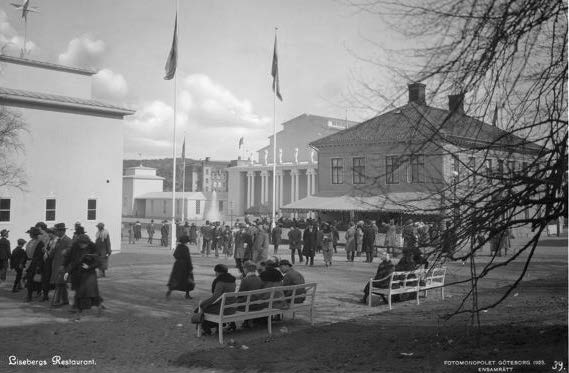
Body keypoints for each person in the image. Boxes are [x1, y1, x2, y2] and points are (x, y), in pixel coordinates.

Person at [63, 234, 104, 314]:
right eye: (80, 243)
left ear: (87, 243)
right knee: (80, 291)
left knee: (88, 293)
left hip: (89, 275)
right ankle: (78, 307)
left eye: (84, 243)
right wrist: (66, 268)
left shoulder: (93, 247)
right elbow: (70, 258)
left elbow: (98, 261)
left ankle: (82, 307)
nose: (82, 245)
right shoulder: (75, 247)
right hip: (77, 273)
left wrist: (89, 266)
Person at [198, 264, 237, 336]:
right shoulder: (232, 280)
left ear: (219, 272)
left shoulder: (220, 282)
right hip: (231, 307)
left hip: (223, 308)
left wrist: (203, 304)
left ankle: (206, 330)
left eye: (216, 272)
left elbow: (215, 297)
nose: (215, 274)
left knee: (201, 308)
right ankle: (223, 326)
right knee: (209, 307)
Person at [49, 223, 72, 306]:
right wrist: (53, 247)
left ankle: (58, 300)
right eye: (56, 231)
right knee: (60, 283)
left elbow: (70, 251)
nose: (56, 233)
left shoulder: (68, 240)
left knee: (61, 283)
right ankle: (64, 300)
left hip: (63, 265)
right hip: (56, 264)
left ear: (62, 231)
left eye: (57, 231)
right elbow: (52, 253)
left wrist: (66, 251)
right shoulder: (57, 240)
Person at [166, 235, 194, 299]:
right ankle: (187, 295)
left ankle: (170, 290)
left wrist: (179, 260)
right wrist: (190, 267)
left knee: (175, 279)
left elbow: (175, 255)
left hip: (177, 265)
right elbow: (188, 258)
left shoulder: (178, 247)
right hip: (185, 266)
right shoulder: (186, 248)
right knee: (187, 280)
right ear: (186, 241)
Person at [24, 227, 45, 302]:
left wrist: (38, 266)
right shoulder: (30, 242)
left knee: (34, 280)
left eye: (31, 233)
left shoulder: (40, 243)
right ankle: (31, 295)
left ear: (34, 234)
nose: (30, 234)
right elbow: (26, 253)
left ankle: (32, 295)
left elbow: (40, 255)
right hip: (29, 263)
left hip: (35, 263)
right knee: (30, 280)